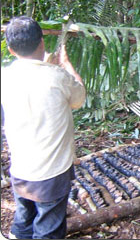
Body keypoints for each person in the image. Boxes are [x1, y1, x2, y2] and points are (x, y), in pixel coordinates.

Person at [1, 16, 86, 239]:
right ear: (42, 42)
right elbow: (79, 98)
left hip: (21, 169)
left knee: (24, 219)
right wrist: (67, 66)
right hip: (52, 173)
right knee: (48, 229)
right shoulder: (58, 76)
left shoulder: (4, 77)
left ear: (10, 50)